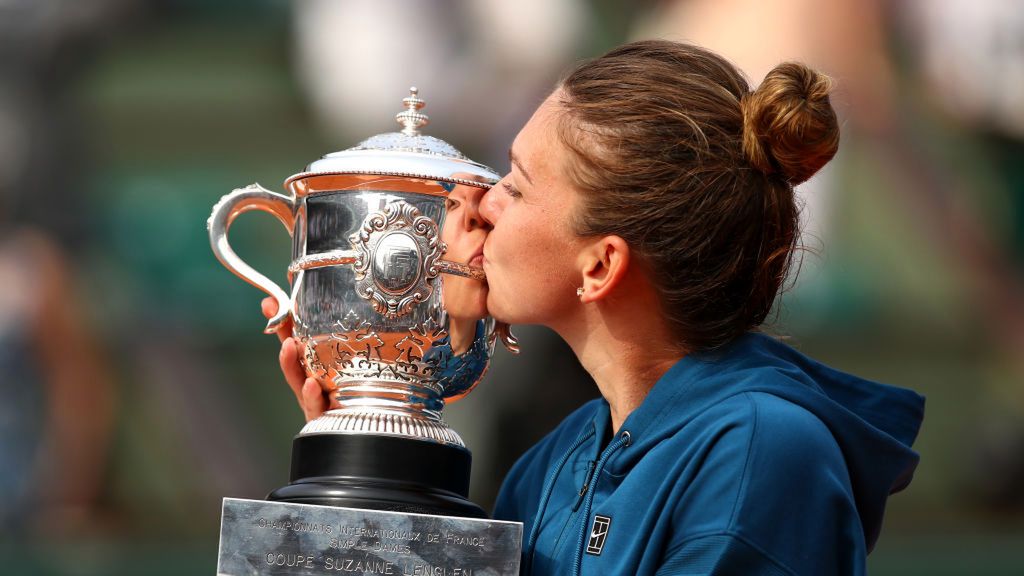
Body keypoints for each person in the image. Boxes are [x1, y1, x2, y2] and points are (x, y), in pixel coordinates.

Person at [269, 40, 925, 575]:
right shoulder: (557, 461)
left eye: (517, 187)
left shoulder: (760, 454)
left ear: (601, 266)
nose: (482, 206)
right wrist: (364, 446)